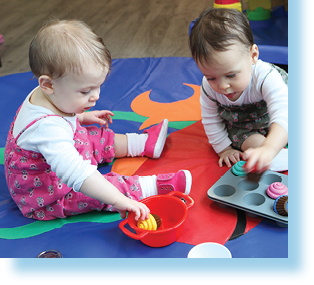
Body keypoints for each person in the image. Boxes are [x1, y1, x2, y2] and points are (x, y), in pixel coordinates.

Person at [4, 19, 192, 221]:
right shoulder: (46, 128)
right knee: (96, 190)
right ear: (48, 84)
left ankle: (141, 143)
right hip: (50, 194)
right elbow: (79, 175)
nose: (96, 96)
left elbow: (61, 119)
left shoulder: (50, 94)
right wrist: (119, 200)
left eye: (98, 86)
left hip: (59, 157)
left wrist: (82, 116)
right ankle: (151, 187)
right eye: (85, 91)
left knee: (94, 137)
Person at [189, 8, 288, 174]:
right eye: (211, 77)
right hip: (244, 126)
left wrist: (270, 147)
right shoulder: (208, 87)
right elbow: (210, 119)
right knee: (253, 146)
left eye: (231, 75)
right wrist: (224, 149)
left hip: (280, 113)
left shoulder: (265, 77)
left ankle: (275, 148)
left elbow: (284, 111)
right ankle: (275, 154)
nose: (222, 86)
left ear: (253, 55)